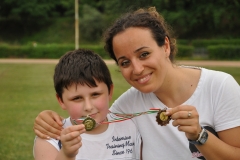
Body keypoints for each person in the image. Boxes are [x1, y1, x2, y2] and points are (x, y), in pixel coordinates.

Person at [33, 7, 240, 159]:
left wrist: (199, 135)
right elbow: (93, 114)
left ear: (165, 46)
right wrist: (47, 119)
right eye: (125, 62)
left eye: (144, 54)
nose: (137, 69)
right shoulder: (128, 106)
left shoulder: (219, 86)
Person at [33, 49, 141, 160]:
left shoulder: (130, 127)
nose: (88, 107)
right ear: (61, 100)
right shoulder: (50, 138)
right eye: (77, 98)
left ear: (110, 92)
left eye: (95, 94)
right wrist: (66, 155)